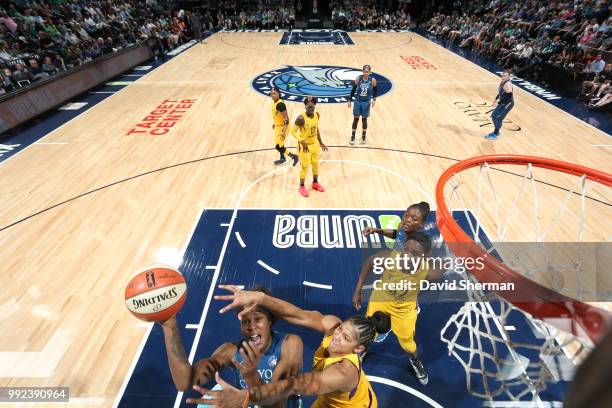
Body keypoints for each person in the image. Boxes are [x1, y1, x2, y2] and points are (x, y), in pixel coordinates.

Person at [188, 286, 390, 407]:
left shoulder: (343, 372)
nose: (337, 337)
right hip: (329, 400)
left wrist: (246, 396)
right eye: (340, 330)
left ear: (358, 349)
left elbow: (295, 384)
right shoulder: (333, 327)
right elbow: (297, 314)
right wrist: (261, 298)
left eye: (345, 338)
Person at [158, 286, 303, 408]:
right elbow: (185, 382)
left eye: (258, 319)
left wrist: (252, 378)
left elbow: (276, 405)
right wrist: (169, 325)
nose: (251, 327)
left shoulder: (290, 344)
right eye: (245, 321)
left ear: (270, 321)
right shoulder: (232, 351)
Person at [356, 203, 442, 386]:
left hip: (403, 304)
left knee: (407, 345)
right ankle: (363, 348)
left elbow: (434, 272)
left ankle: (415, 361)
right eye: (407, 216)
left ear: (421, 224)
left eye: (414, 219)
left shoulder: (421, 252)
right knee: (369, 328)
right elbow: (395, 236)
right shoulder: (403, 232)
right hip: (385, 289)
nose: (408, 220)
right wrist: (378, 230)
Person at [291, 96, 328, 198]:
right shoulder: (301, 118)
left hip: (314, 144)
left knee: (316, 165)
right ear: (305, 106)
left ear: (315, 106)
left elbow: (316, 129)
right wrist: (301, 140)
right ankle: (301, 187)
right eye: (309, 107)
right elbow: (293, 132)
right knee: (305, 167)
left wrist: (321, 142)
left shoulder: (317, 115)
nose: (311, 109)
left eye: (313, 107)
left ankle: (315, 183)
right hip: (304, 146)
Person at [348, 65, 377, 145]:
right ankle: (353, 136)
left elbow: (375, 90)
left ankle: (363, 136)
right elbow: (353, 89)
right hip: (358, 100)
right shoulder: (359, 79)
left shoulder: (373, 80)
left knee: (364, 119)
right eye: (364, 71)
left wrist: (374, 99)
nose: (366, 73)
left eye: (367, 72)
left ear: (369, 72)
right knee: (356, 119)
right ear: (362, 71)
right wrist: (350, 100)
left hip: (366, 102)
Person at [270, 87, 298, 166]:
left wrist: (283, 131)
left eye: (274, 93)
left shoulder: (280, 104)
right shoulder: (276, 102)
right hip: (278, 126)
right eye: (271, 94)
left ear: (279, 94)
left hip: (283, 127)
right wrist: (275, 123)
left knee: (279, 147)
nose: (272, 95)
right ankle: (282, 158)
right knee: (277, 146)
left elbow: (286, 119)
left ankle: (294, 157)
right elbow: (277, 115)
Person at [485, 70, 514, 140]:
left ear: (509, 77)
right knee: (493, 116)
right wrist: (496, 99)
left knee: (498, 118)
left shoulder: (507, 84)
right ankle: (496, 132)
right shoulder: (503, 82)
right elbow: (501, 92)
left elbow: (509, 96)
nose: (503, 77)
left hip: (508, 103)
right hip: (503, 102)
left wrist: (499, 103)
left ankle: (495, 134)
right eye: (503, 75)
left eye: (505, 76)